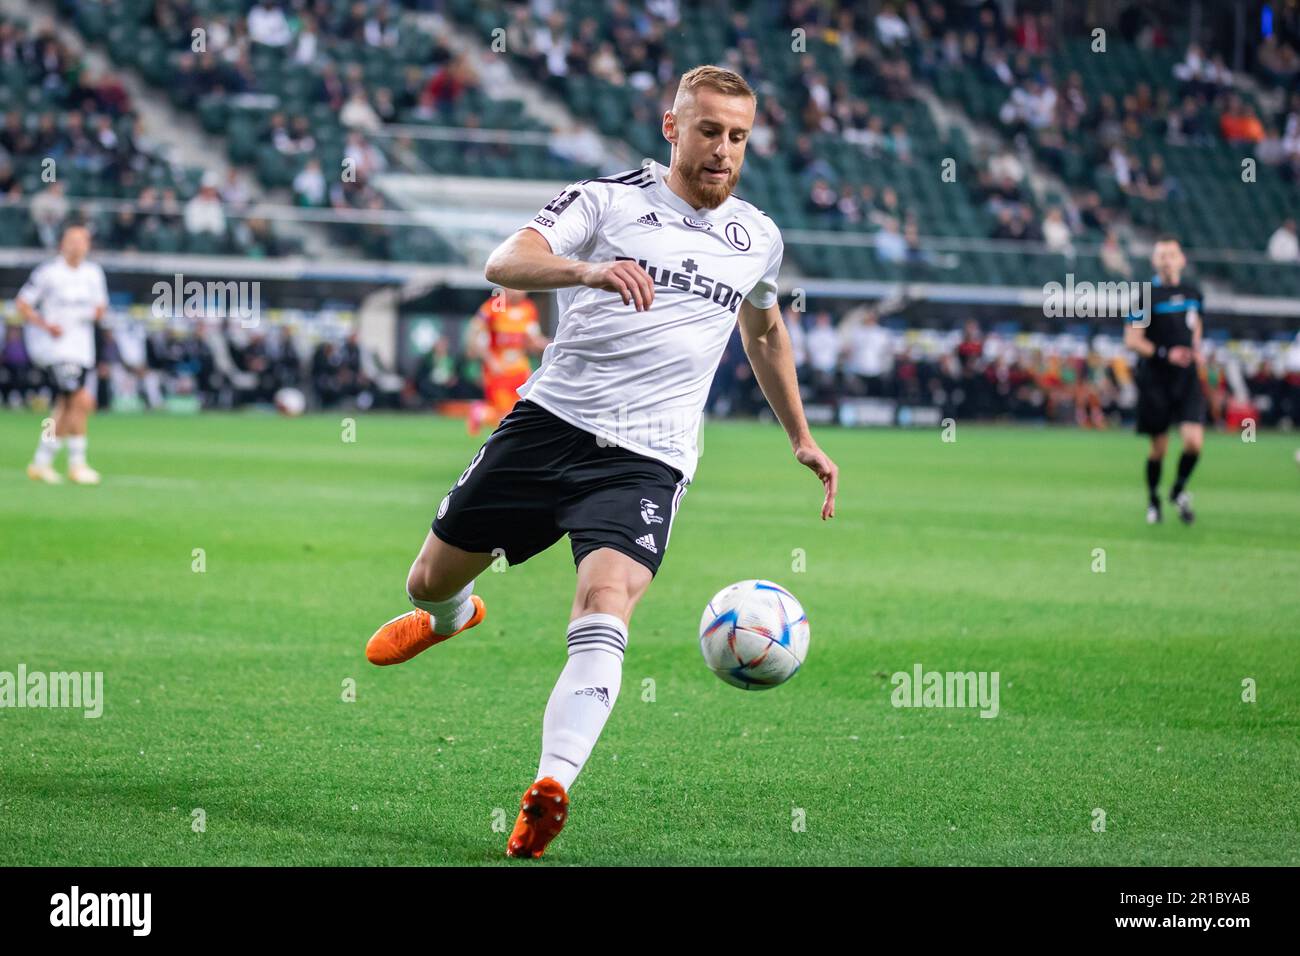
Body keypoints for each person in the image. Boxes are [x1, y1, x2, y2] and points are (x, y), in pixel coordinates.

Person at [362, 66, 839, 859]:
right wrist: (587, 269)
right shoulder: (608, 200)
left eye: (738, 137)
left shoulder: (757, 236)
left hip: (647, 460)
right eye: (710, 130)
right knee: (428, 580)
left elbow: (764, 331)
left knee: (604, 599)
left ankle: (551, 786)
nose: (723, 150)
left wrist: (800, 435)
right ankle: (452, 617)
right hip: (550, 425)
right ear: (672, 127)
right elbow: (504, 262)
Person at [1124, 236, 1205, 524]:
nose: (1167, 260)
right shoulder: (1146, 296)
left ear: (1181, 259)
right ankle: (1153, 499)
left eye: (1172, 254)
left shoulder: (1193, 292)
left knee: (1194, 442)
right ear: (1154, 261)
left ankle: (1179, 489)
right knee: (1159, 448)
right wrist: (1164, 353)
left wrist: (1195, 349)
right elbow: (1132, 339)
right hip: (1156, 378)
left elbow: (1196, 324)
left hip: (1186, 377)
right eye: (1161, 255)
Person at [19, 224, 109, 484]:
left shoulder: (93, 273)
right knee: (81, 401)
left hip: (82, 349)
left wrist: (87, 315)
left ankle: (41, 461)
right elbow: (23, 304)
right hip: (57, 350)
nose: (77, 245)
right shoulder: (49, 273)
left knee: (64, 407)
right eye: (72, 240)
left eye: (82, 241)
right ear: (62, 243)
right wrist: (46, 325)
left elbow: (100, 309)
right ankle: (77, 463)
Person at [463, 288, 548, 434]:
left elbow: (533, 339)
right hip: (498, 369)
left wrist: (550, 345)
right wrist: (489, 359)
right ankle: (480, 412)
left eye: (522, 287)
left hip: (520, 368)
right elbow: (475, 330)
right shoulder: (497, 305)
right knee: (503, 415)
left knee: (517, 410)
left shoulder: (528, 308)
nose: (518, 291)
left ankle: (481, 413)